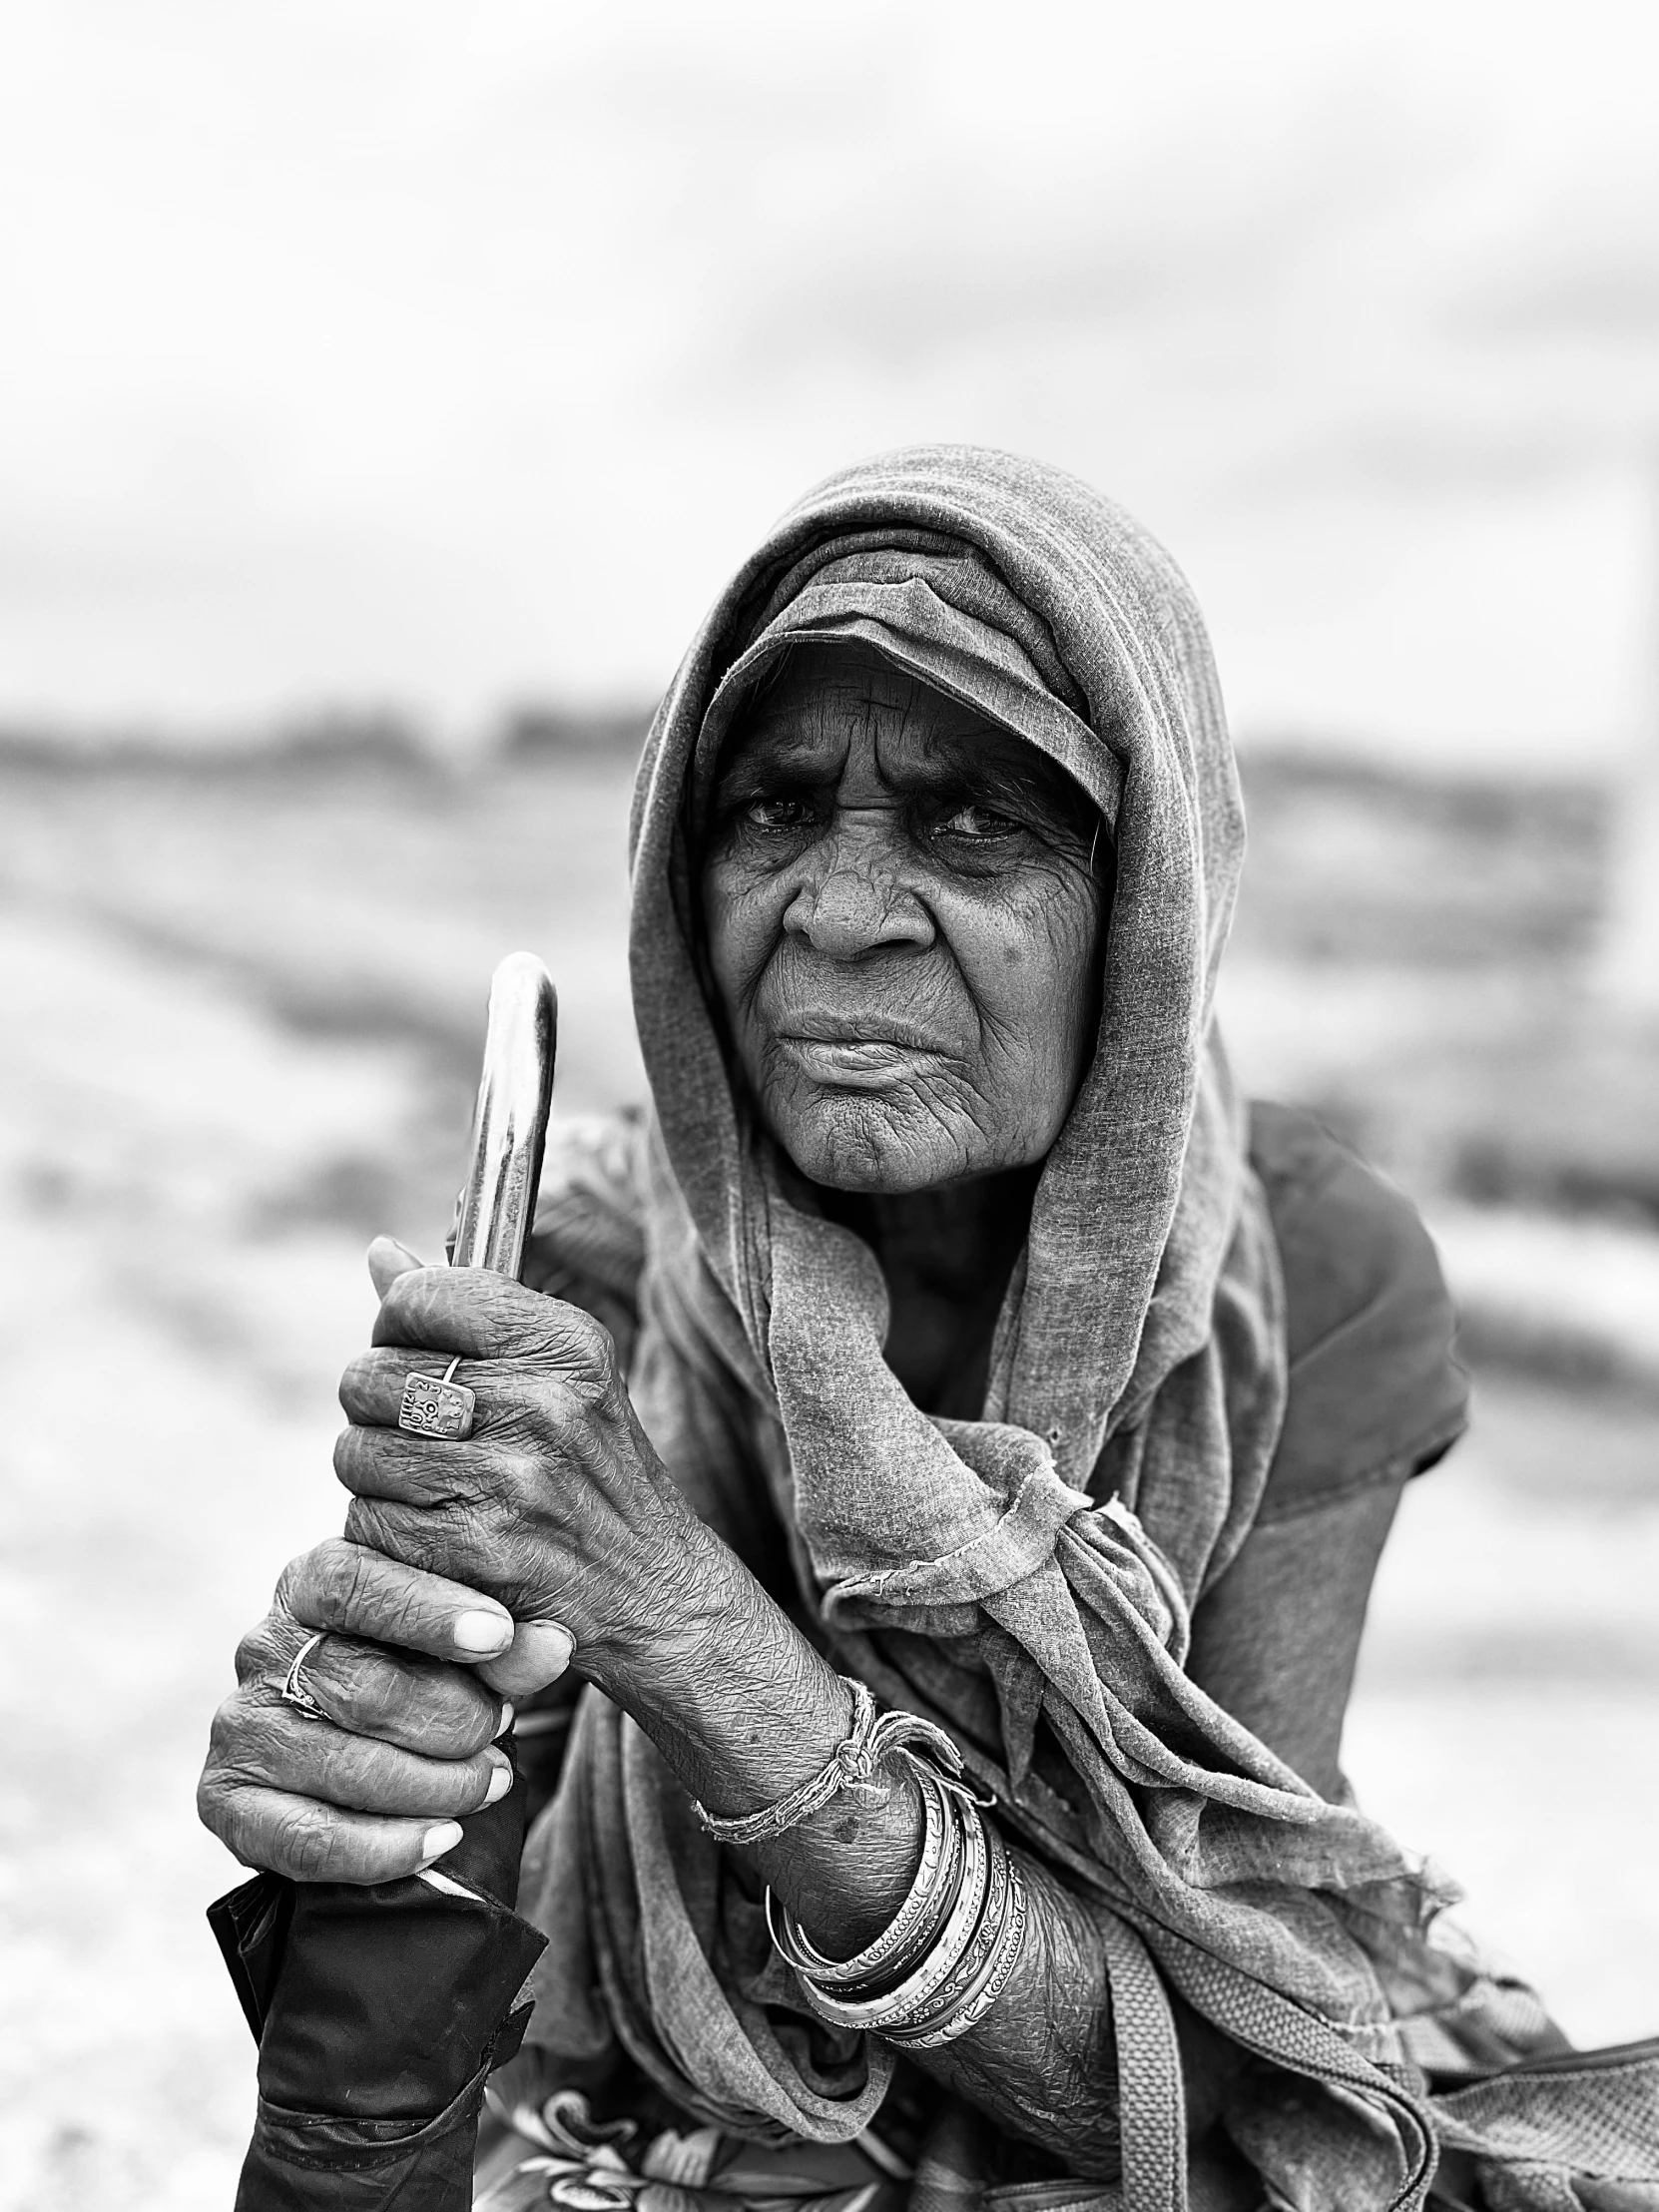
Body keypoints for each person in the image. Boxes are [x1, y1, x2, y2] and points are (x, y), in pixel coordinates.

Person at [198, 447, 1655, 2212]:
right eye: (771, 808)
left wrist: (685, 1630)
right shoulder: (588, 1262)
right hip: (674, 2095)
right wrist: (347, 1787)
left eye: (977, 823)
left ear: (1146, 901)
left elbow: (1237, 2061)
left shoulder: (1307, 1284)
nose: (839, 912)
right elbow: (445, 1940)